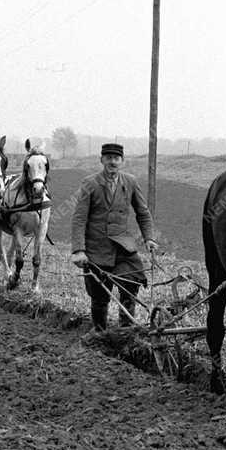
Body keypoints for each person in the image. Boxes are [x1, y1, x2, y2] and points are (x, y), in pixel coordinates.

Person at [71, 142, 158, 334]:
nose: (113, 162)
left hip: (123, 247)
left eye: (116, 158)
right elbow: (79, 218)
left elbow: (143, 213)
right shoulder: (90, 183)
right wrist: (78, 250)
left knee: (131, 283)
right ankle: (100, 333)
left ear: (122, 161)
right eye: (108, 158)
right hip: (96, 248)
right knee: (99, 295)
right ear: (101, 160)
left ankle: (126, 331)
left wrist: (149, 238)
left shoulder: (131, 182)